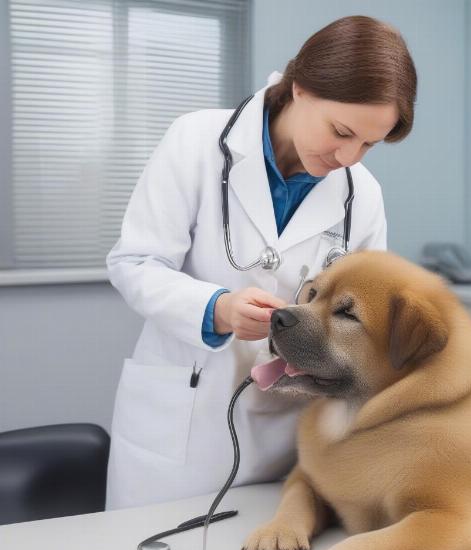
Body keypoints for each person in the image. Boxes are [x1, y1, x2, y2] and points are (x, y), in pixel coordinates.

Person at [104, 15, 417, 510]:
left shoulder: (364, 197)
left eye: (369, 144)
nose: (350, 157)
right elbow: (135, 262)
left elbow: (367, 320)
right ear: (301, 87)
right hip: (182, 425)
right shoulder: (195, 142)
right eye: (341, 131)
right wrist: (218, 308)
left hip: (289, 432)